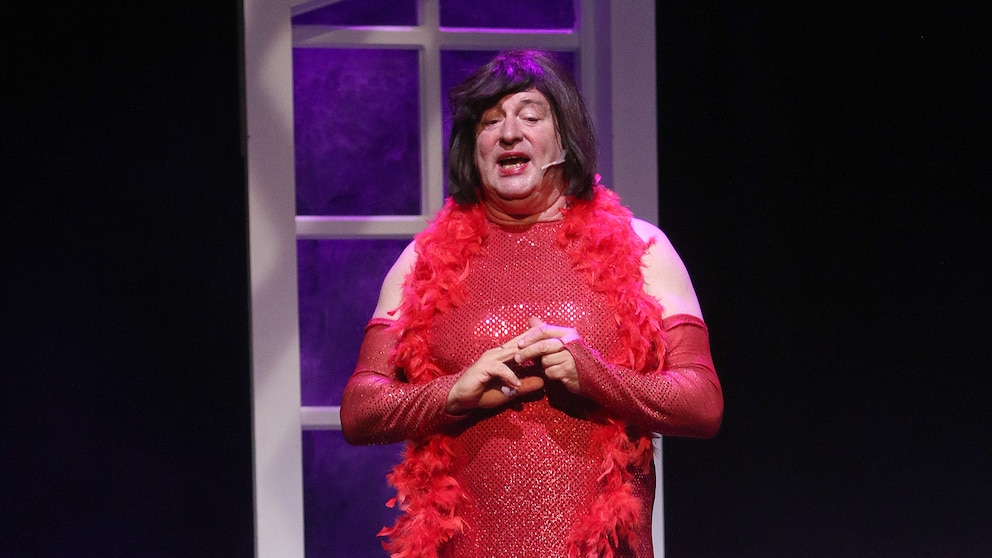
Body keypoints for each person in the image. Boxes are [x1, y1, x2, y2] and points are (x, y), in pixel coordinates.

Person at [340, 49, 723, 558]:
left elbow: (703, 403)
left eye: (529, 116)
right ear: (472, 146)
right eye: (490, 121)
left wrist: (596, 376)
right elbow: (359, 410)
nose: (508, 134)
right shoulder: (422, 261)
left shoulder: (643, 248)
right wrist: (451, 393)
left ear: (565, 138)